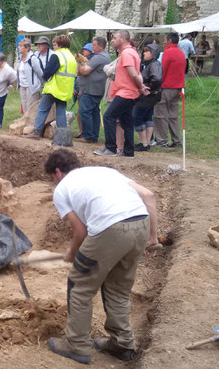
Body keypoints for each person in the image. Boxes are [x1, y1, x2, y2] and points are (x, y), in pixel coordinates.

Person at [43, 149, 159, 365]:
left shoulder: (62, 189)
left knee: (80, 285)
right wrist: (152, 237)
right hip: (140, 223)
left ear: (57, 172)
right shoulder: (105, 172)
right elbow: (148, 196)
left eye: (52, 178)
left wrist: (72, 252)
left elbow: (80, 231)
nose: (54, 182)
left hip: (111, 228)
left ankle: (76, 345)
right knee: (118, 288)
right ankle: (122, 344)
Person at [94, 30, 147, 158]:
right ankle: (128, 151)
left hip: (126, 93)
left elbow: (133, 74)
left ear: (123, 39)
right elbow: (136, 73)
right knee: (126, 121)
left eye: (115, 38)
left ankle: (111, 148)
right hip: (128, 92)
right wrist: (140, 87)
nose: (112, 40)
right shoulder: (131, 53)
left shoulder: (127, 54)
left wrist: (140, 87)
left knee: (108, 117)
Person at [28, 35, 77, 140]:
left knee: (42, 109)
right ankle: (62, 136)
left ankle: (36, 132)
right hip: (65, 90)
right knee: (61, 112)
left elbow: (47, 72)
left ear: (60, 45)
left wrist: (45, 78)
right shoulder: (71, 57)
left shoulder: (57, 55)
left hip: (53, 88)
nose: (53, 46)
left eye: (54, 44)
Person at [153, 33, 186, 148]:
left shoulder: (168, 52)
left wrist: (158, 86)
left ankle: (162, 140)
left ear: (170, 40)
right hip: (178, 87)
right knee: (173, 115)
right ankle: (176, 140)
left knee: (160, 114)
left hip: (167, 87)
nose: (164, 42)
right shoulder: (181, 53)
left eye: (165, 39)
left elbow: (163, 70)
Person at [76, 37, 111, 143]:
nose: (92, 47)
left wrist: (79, 65)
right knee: (94, 112)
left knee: (85, 112)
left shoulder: (99, 57)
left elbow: (85, 71)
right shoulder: (105, 56)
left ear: (100, 46)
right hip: (96, 89)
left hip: (91, 90)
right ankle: (93, 135)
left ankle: (88, 136)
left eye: (94, 45)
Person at [133, 44, 162, 152]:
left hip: (148, 96)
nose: (144, 53)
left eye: (147, 51)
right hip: (152, 95)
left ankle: (144, 142)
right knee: (147, 116)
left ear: (153, 53)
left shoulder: (154, 64)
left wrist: (149, 89)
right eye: (144, 51)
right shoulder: (150, 64)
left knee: (137, 116)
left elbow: (157, 79)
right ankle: (147, 142)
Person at [16, 38, 41, 115]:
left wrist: (41, 87)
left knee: (31, 108)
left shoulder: (33, 58)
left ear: (27, 48)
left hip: (31, 87)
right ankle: (26, 124)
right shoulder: (20, 57)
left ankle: (32, 125)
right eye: (19, 46)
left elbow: (40, 73)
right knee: (24, 107)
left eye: (20, 46)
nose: (18, 47)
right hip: (22, 86)